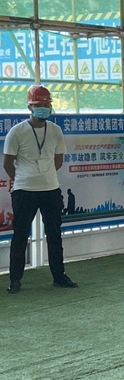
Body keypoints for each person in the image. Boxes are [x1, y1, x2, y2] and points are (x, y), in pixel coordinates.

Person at [3, 85, 76, 294]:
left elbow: (58, 160)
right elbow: (7, 163)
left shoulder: (55, 130)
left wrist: (44, 176)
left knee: (54, 234)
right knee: (20, 236)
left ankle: (59, 276)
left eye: (46, 105)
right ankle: (15, 280)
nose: (43, 108)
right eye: (39, 105)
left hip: (51, 189)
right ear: (30, 107)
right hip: (24, 191)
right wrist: (23, 178)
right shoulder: (17, 131)